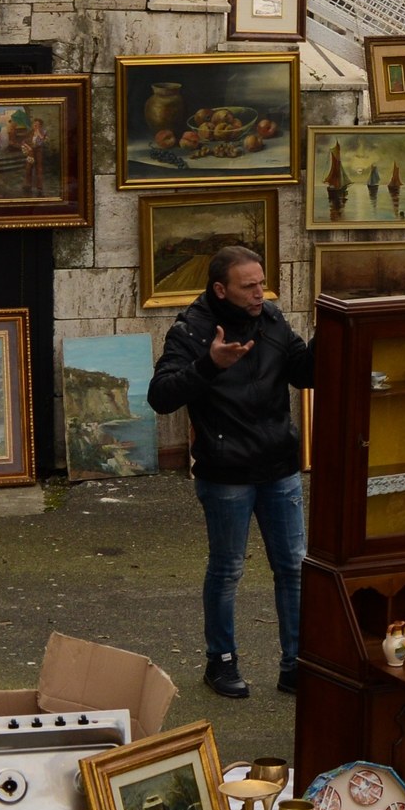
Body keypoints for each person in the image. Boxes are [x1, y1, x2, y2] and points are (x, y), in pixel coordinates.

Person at [146, 244, 313, 699]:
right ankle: (220, 662)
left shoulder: (273, 320)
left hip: (279, 467)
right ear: (221, 289)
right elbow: (160, 396)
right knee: (227, 569)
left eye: (262, 282)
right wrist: (209, 364)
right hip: (226, 475)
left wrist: (332, 336)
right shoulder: (192, 330)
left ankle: (296, 664)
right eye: (249, 286)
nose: (260, 292)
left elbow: (304, 373)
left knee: (294, 569)